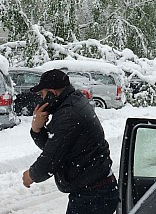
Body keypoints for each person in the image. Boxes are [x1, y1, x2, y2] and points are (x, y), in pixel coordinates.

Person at [22, 68, 119, 214]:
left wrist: (31, 175)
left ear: (52, 93)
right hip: (95, 191)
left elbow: (51, 158)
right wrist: (37, 130)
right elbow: (57, 146)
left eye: (42, 95)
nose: (41, 100)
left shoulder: (69, 115)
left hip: (93, 196)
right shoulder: (73, 102)